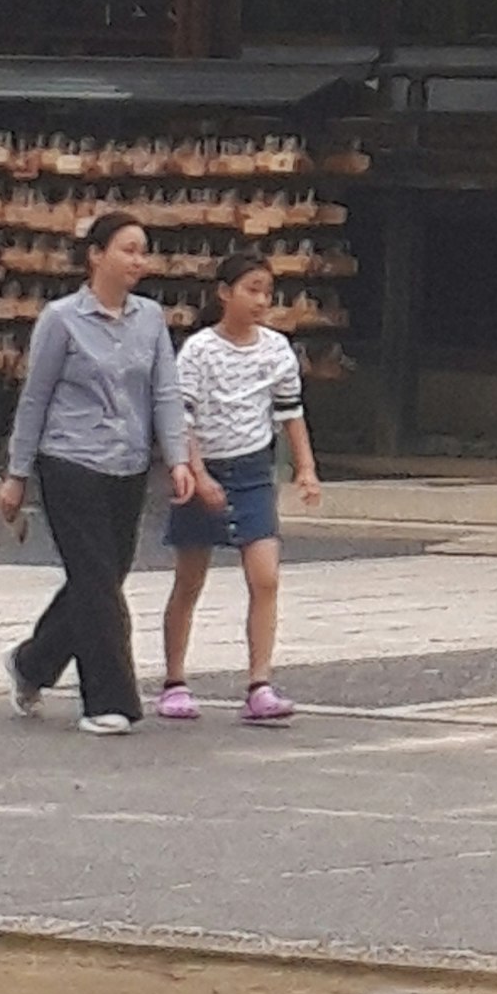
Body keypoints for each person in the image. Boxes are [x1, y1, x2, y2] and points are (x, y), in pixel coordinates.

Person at [0, 213, 217, 736]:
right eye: (128, 249)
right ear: (96, 256)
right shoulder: (61, 319)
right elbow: (35, 399)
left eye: (144, 251)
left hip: (127, 462)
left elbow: (164, 391)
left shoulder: (150, 320)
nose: (139, 260)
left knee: (104, 576)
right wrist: (16, 473)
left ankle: (32, 663)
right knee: (97, 582)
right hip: (70, 459)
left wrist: (178, 458)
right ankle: (108, 699)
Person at [158, 258, 321, 725]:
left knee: (265, 576)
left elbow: (291, 411)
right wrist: (197, 471)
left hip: (253, 469)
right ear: (225, 293)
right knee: (190, 578)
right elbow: (181, 416)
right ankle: (174, 679)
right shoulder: (198, 351)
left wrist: (305, 468)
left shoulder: (277, 350)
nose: (261, 301)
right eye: (252, 289)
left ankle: (260, 682)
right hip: (203, 467)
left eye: (268, 292)